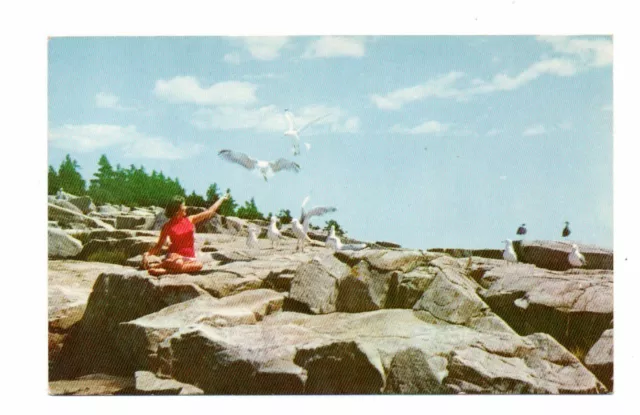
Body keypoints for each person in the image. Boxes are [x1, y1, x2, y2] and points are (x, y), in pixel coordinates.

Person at [142, 193, 230, 276]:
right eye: (183, 205)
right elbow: (158, 246)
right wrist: (147, 254)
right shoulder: (167, 226)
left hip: (189, 258)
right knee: (178, 263)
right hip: (175, 256)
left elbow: (209, 212)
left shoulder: (190, 219)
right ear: (177, 210)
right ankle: (165, 265)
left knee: (199, 265)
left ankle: (165, 269)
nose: (186, 207)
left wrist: (222, 198)